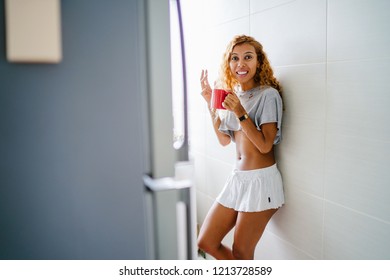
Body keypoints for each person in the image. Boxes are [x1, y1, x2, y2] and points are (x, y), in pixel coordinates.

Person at [197, 35, 285, 260]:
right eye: (234, 58)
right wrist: (210, 105)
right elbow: (224, 140)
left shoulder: (268, 95)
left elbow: (265, 146)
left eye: (248, 57)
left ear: (259, 62)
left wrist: (239, 111)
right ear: (228, 64)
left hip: (261, 181)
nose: (240, 64)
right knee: (206, 241)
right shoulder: (233, 95)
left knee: (242, 253)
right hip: (238, 179)